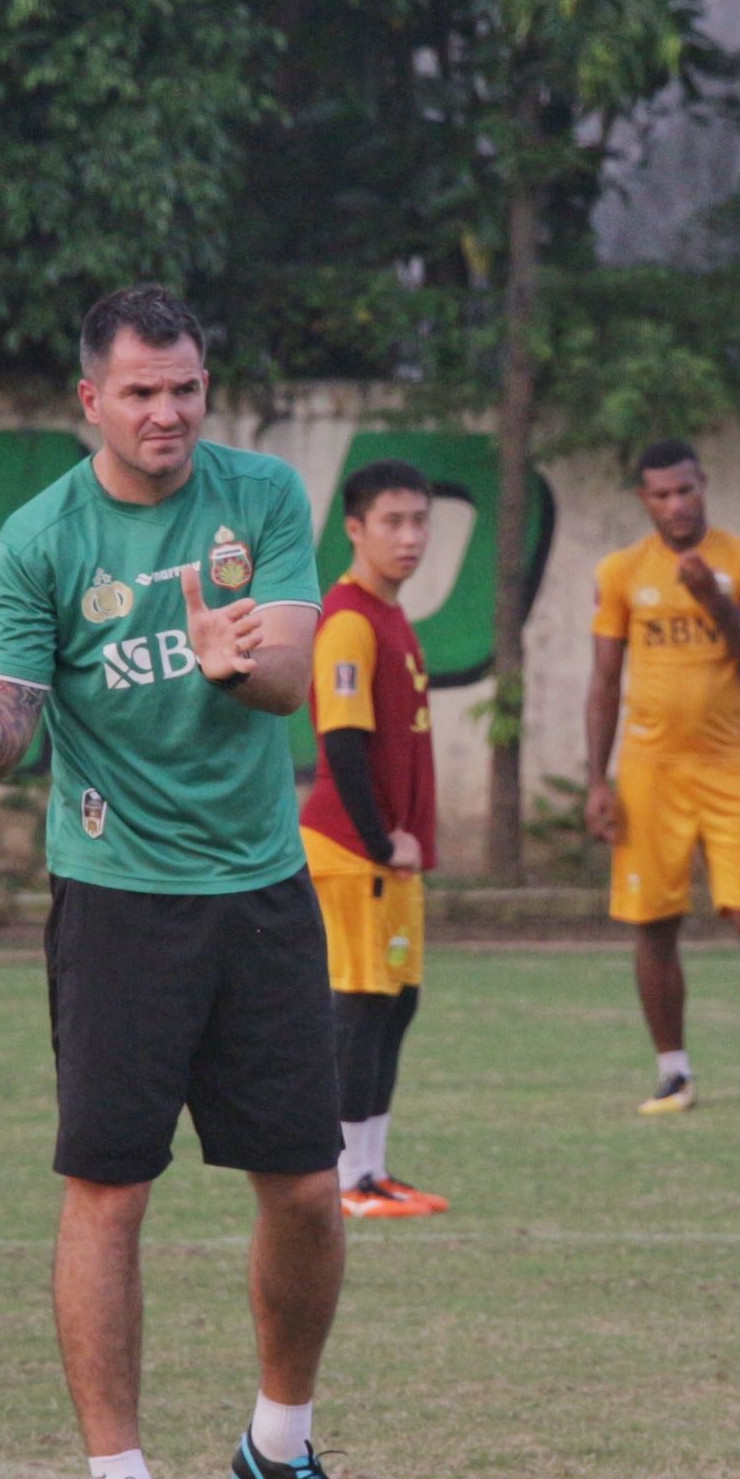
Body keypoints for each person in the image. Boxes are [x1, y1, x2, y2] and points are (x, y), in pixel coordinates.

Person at [0, 284, 366, 1479]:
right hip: (118, 899)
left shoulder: (264, 499)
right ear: (91, 402)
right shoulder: (39, 541)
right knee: (109, 1189)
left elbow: (287, 676)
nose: (167, 413)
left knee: (304, 1191)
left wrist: (236, 662)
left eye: (184, 389)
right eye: (140, 392)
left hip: (262, 891)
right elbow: (8, 738)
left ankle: (279, 1446)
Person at [581, 439, 740, 1118]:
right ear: (645, 500)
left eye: (685, 490)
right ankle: (674, 1075)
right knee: (654, 925)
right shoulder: (620, 571)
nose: (675, 505)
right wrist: (596, 780)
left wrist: (713, 602)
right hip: (648, 772)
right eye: (661, 494)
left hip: (728, 770)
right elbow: (605, 681)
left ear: (704, 487)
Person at [302, 458, 448, 1219]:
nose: (410, 536)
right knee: (357, 1008)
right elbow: (343, 744)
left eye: (420, 520)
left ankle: (373, 1170)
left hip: (392, 859)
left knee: (395, 1006)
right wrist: (379, 838)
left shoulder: (393, 618)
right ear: (355, 529)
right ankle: (341, 1179)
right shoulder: (350, 618)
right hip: (352, 854)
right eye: (393, 521)